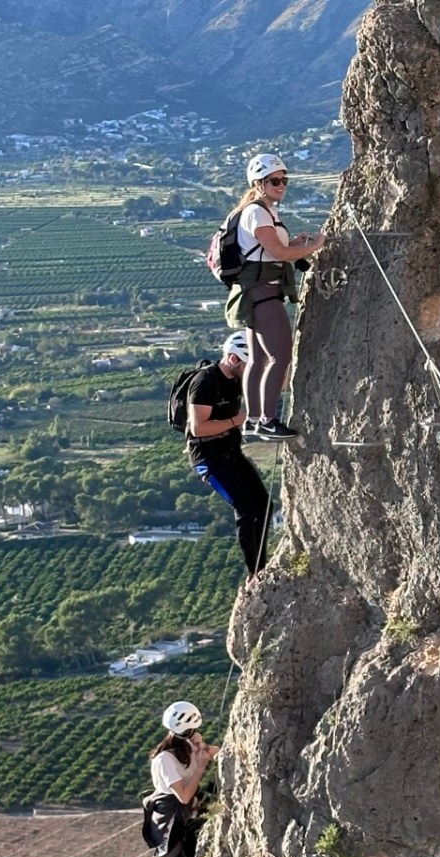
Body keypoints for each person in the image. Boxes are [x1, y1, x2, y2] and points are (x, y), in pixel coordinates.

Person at [224, 151, 325, 441]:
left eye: (284, 180)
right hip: (263, 292)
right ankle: (268, 420)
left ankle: (254, 419)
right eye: (274, 181)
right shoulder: (257, 212)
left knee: (257, 359)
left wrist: (294, 243)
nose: (281, 186)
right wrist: (315, 245)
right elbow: (279, 254)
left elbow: (270, 250)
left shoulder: (263, 211)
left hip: (254, 293)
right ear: (258, 184)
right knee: (279, 355)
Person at [186, 331, 272, 578]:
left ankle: (261, 564)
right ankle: (255, 572)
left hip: (230, 451)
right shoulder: (205, 382)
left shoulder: (238, 379)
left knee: (264, 506)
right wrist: (238, 419)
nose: (250, 371)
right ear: (234, 359)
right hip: (208, 458)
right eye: (248, 364)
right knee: (245, 507)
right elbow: (198, 427)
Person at [143, 701, 218, 857]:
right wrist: (201, 766)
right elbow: (184, 796)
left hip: (188, 815)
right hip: (172, 819)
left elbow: (219, 753)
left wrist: (202, 748)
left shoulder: (189, 748)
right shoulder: (164, 759)